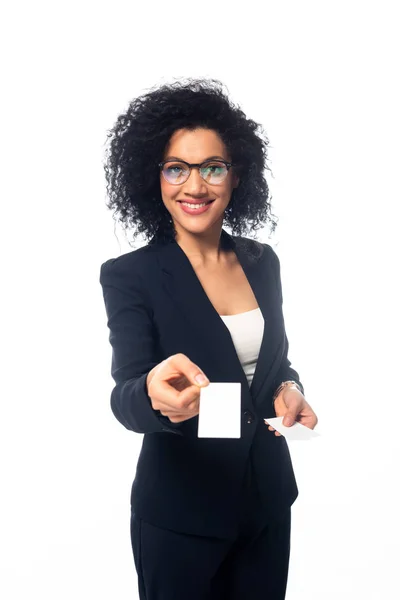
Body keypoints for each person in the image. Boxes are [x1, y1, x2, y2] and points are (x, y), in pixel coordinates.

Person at [99, 78, 318, 600]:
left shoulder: (262, 262)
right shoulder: (130, 275)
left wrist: (288, 388)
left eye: (211, 167)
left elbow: (274, 362)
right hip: (181, 515)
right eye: (177, 168)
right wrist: (153, 397)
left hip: (266, 502)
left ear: (235, 174)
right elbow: (126, 391)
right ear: (154, 178)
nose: (194, 186)